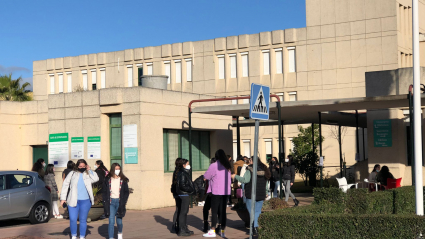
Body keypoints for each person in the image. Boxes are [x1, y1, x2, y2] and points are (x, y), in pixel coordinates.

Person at [60, 159, 99, 239]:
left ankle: (82, 236)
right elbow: (65, 185)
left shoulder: (88, 174)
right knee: (73, 219)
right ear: (77, 166)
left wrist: (90, 170)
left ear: (86, 166)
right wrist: (63, 198)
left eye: (83, 166)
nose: (82, 168)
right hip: (73, 200)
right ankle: (74, 235)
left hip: (85, 201)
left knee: (83, 220)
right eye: (80, 166)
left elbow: (96, 179)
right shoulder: (72, 173)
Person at [232, 156, 271, 236]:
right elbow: (266, 183)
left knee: (252, 212)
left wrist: (235, 176)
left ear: (253, 161)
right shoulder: (264, 170)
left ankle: (255, 228)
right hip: (261, 193)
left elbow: (245, 180)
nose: (249, 162)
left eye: (250, 160)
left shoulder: (250, 169)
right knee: (258, 211)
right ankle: (256, 227)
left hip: (251, 193)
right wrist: (266, 191)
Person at [203, 149, 232, 238]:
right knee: (222, 212)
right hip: (226, 191)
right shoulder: (227, 166)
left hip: (216, 191)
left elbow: (206, 176)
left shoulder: (214, 165)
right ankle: (222, 230)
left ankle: (212, 230)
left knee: (214, 211)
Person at [103, 163, 130, 239]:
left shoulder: (123, 180)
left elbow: (126, 192)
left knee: (119, 221)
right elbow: (104, 191)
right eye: (116, 169)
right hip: (111, 202)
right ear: (112, 169)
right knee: (111, 221)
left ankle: (120, 233)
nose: (117, 170)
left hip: (119, 202)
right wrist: (105, 201)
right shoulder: (108, 179)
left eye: (118, 169)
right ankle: (111, 237)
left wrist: (124, 201)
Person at [176, 158, 196, 237]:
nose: (189, 165)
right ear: (183, 165)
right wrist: (190, 189)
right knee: (183, 212)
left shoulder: (184, 172)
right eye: (187, 164)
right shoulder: (182, 173)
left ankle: (184, 228)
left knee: (185, 212)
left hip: (184, 194)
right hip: (183, 194)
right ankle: (181, 230)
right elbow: (182, 185)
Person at [171, 158, 183, 234]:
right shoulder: (180, 172)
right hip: (179, 192)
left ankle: (174, 225)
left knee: (178, 208)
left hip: (175, 192)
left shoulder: (175, 171)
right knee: (180, 209)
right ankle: (177, 225)